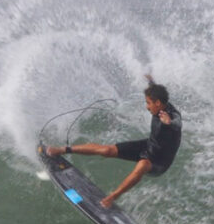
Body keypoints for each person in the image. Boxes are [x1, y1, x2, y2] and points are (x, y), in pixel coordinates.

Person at [45, 76, 182, 208]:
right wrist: (151, 82)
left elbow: (177, 123)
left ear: (157, 103)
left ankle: (112, 197)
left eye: (148, 103)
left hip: (160, 161)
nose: (147, 107)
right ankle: (63, 150)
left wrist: (169, 122)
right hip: (149, 145)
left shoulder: (173, 116)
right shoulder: (160, 102)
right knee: (107, 150)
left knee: (142, 165)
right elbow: (155, 91)